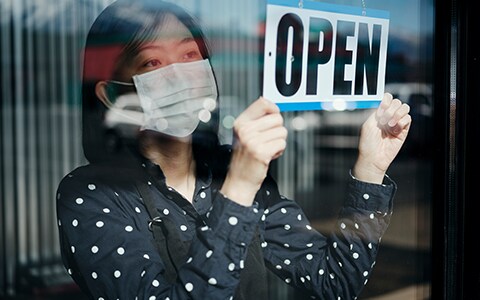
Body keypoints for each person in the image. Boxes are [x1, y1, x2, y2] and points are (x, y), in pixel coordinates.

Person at [56, 0, 412, 299]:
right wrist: (239, 187)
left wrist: (369, 169)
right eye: (153, 62)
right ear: (111, 93)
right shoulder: (91, 194)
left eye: (189, 54)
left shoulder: (228, 168)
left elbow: (334, 282)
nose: (181, 75)